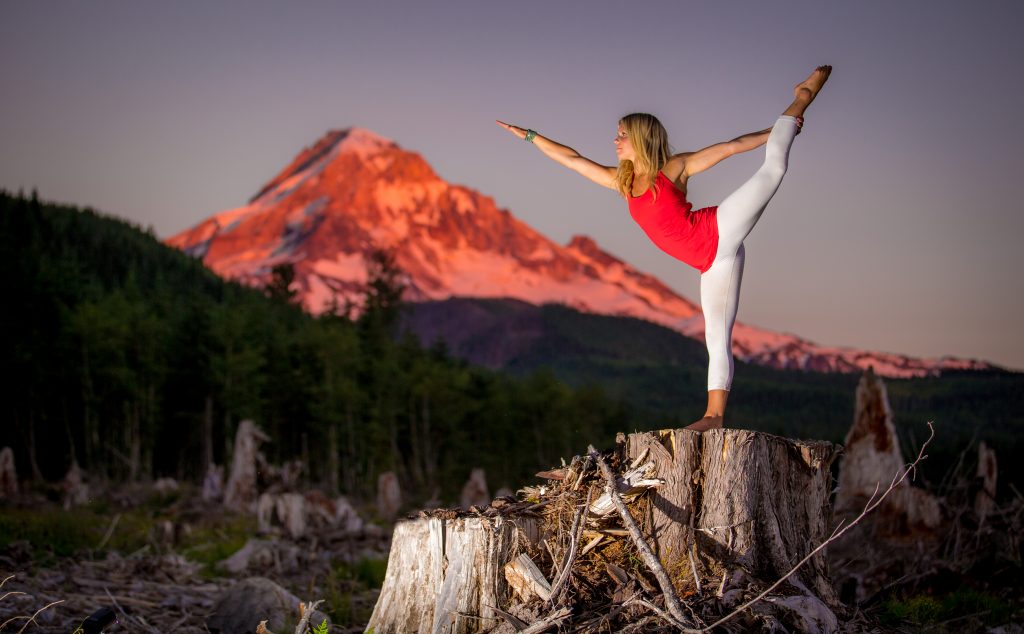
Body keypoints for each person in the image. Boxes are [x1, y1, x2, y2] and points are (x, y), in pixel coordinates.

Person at [497, 65, 832, 431]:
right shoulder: (622, 181)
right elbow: (571, 159)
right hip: (712, 263)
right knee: (716, 336)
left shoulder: (674, 168)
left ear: (640, 138)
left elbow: (732, 146)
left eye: (621, 135)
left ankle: (802, 98)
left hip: (718, 229)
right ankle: (714, 417)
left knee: (773, 169)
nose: (615, 141)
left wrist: (776, 131)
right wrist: (529, 136)